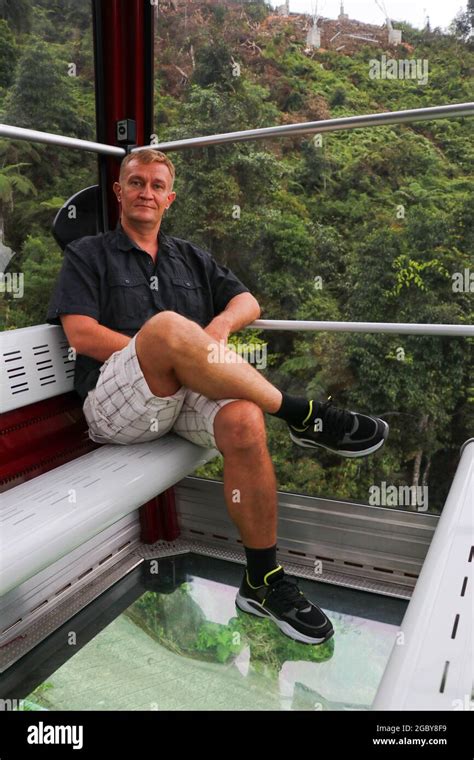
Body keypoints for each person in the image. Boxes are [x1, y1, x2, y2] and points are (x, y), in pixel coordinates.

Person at [47, 148, 389, 646]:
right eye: (136, 183)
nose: (146, 192)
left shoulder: (189, 257)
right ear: (120, 192)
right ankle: (302, 414)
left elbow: (247, 300)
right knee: (164, 328)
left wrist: (214, 334)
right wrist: (164, 352)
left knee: (246, 419)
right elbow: (81, 334)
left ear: (170, 197)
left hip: (178, 398)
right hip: (114, 404)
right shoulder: (88, 255)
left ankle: (262, 580)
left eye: (157, 185)